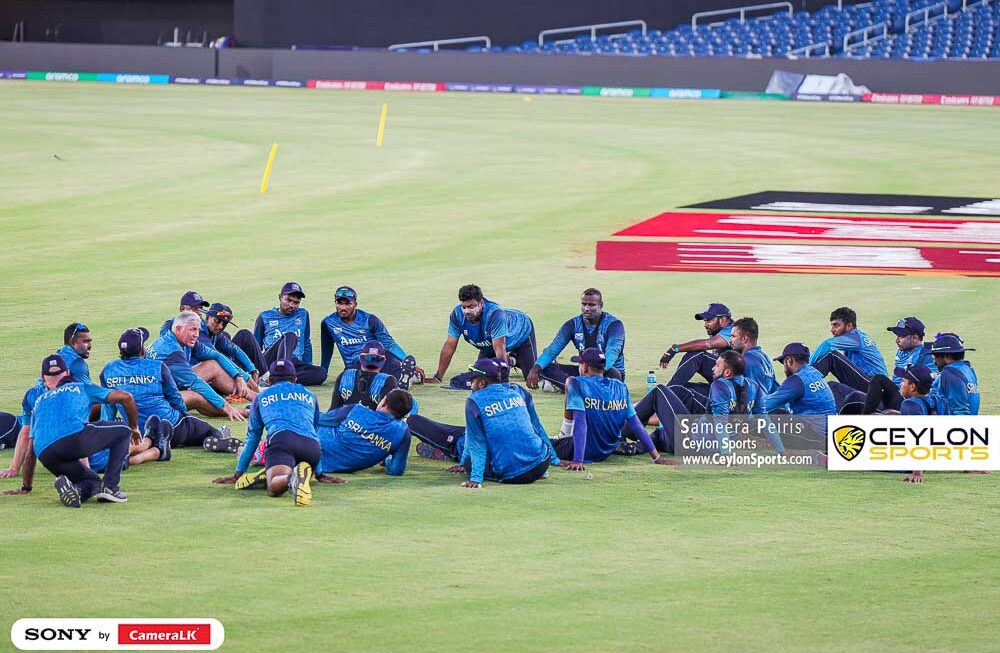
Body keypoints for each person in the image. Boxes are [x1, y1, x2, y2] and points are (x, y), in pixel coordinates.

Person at [408, 358, 559, 487]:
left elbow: (477, 442)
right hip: (541, 465)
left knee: (466, 445)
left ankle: (447, 452)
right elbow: (536, 428)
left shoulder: (475, 401)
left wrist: (474, 476)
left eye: (472, 380)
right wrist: (554, 459)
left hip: (513, 475)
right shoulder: (517, 392)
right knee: (480, 433)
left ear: (481, 383)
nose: (470, 385)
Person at [12, 355, 140, 507]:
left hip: (45, 453)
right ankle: (111, 487)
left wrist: (26, 486)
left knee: (92, 481)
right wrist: (133, 427)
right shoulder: (81, 387)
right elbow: (127, 397)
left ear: (43, 377)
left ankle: (76, 491)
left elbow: (30, 451)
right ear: (67, 373)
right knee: (123, 431)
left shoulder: (39, 402)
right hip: (72, 439)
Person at [102, 327, 242, 455]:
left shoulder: (107, 371)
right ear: (141, 350)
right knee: (204, 429)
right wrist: (182, 413)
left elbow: (108, 410)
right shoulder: (158, 366)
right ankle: (215, 437)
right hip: (170, 425)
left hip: (138, 433)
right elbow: (175, 399)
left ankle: (156, 445)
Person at [213, 359, 321, 507]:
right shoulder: (310, 395)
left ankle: (289, 478)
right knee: (302, 471)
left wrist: (238, 473)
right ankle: (296, 474)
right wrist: (320, 472)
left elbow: (253, 438)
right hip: (312, 449)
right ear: (295, 379)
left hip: (283, 441)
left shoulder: (261, 398)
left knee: (274, 487)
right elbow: (315, 432)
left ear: (270, 380)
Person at [547, 348, 671, 469]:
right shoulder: (620, 387)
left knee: (541, 444)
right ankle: (564, 436)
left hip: (582, 449)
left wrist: (578, 460)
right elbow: (636, 424)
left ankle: (563, 435)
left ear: (584, 367)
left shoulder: (577, 384)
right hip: (606, 450)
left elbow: (581, 423)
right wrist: (656, 457)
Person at [628, 350, 763, 455]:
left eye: (717, 365)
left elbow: (720, 423)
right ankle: (633, 446)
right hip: (694, 438)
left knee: (660, 391)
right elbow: (765, 420)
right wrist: (780, 449)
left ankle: (619, 432)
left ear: (727, 372)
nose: (712, 368)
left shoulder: (720, 387)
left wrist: (726, 454)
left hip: (690, 442)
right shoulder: (753, 386)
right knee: (661, 432)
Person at [425, 285, 537, 389]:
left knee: (533, 377)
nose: (467, 311)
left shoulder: (495, 315)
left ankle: (539, 362)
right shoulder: (457, 315)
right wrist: (437, 377)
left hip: (521, 333)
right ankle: (513, 360)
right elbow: (449, 346)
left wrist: (504, 384)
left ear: (481, 303)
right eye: (464, 307)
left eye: (471, 306)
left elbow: (499, 349)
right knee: (480, 378)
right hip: (489, 344)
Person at [147, 311, 249, 421]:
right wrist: (225, 406)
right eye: (193, 330)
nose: (197, 335)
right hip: (154, 401)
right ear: (178, 329)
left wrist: (239, 376)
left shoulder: (171, 339)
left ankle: (255, 397)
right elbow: (195, 383)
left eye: (198, 330)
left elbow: (216, 355)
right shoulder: (172, 352)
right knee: (196, 396)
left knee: (211, 366)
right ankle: (247, 412)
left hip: (158, 387)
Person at [320, 286, 422, 389]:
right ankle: (397, 378)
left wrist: (405, 361)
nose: (343, 307)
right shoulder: (328, 323)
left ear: (355, 304)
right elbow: (327, 349)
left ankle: (404, 376)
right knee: (350, 381)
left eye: (348, 304)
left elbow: (390, 345)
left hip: (375, 358)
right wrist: (323, 370)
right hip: (354, 365)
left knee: (386, 356)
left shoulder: (370, 320)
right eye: (340, 303)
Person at [526, 288, 625, 393]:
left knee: (614, 374)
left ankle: (572, 387)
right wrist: (535, 369)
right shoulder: (572, 325)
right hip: (585, 371)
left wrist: (600, 372)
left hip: (606, 371)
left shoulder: (614, 325)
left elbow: (612, 352)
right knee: (545, 367)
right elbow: (552, 350)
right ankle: (582, 388)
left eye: (591, 305)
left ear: (601, 305)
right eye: (584, 304)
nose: (586, 308)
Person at [316, 388, 413, 478]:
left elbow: (318, 419)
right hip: (330, 463)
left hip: (313, 448)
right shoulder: (403, 433)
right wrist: (386, 459)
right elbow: (396, 470)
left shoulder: (356, 410)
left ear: (383, 403)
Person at [246, 282, 327, 387]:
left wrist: (308, 365)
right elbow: (255, 347)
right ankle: (278, 375)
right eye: (288, 300)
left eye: (296, 302)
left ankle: (276, 381)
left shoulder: (303, 314)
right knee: (289, 337)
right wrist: (253, 371)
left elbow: (306, 342)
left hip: (294, 363)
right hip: (271, 362)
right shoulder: (265, 317)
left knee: (321, 373)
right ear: (280, 297)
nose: (292, 305)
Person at [861, 317, 935, 413]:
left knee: (878, 379)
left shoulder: (925, 354)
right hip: (896, 396)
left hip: (910, 402)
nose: (897, 340)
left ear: (915, 338)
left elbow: (930, 384)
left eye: (901, 336)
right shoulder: (901, 352)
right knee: (855, 396)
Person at [657, 303, 734, 392]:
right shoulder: (719, 331)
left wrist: (675, 349)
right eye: (705, 321)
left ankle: (665, 394)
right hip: (724, 383)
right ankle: (667, 393)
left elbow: (707, 344)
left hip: (733, 385)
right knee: (681, 388)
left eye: (709, 320)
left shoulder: (731, 331)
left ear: (722, 320)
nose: (705, 325)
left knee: (697, 354)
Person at [809, 307, 888, 392]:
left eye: (836, 325)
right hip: (875, 384)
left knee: (832, 355)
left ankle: (804, 381)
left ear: (849, 326)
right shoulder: (858, 337)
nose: (832, 330)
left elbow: (827, 345)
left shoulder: (855, 338)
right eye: (831, 325)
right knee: (832, 387)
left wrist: (807, 367)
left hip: (874, 386)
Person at [329, 340, 399, 411]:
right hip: (373, 421)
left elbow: (333, 411)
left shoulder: (345, 376)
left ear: (360, 358)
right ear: (383, 361)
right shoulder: (388, 381)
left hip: (346, 421)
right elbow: (387, 416)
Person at [728, 317, 780, 397]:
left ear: (744, 339)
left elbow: (753, 397)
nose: (730, 340)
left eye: (733, 336)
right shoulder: (763, 356)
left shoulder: (748, 361)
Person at [929, 333, 979, 415]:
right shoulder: (968, 369)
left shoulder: (950, 372)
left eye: (936, 356)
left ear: (947, 355)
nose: (934, 361)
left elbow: (960, 411)